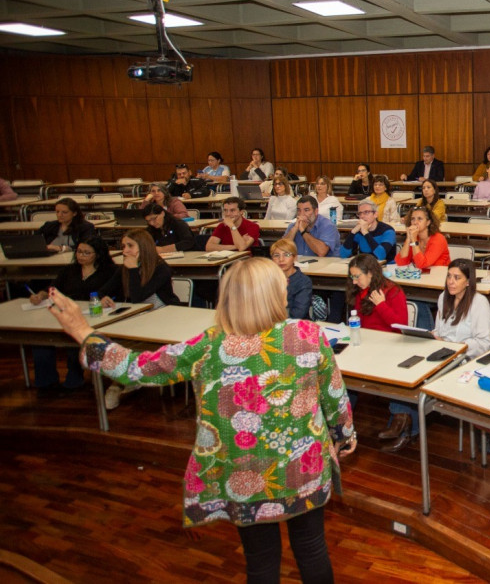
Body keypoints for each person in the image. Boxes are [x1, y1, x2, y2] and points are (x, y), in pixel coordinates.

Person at [47, 258, 355, 582]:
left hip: (243, 477)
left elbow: (137, 369)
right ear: (276, 295)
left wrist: (83, 332)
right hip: (303, 470)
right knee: (311, 548)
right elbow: (334, 396)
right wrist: (345, 435)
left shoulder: (208, 346)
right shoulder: (308, 335)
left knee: (261, 561)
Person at [383, 259, 490, 453]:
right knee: (405, 368)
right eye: (449, 276)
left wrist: (455, 346)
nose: (451, 281)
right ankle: (402, 421)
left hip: (464, 358)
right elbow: (439, 329)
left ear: (468, 281)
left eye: (457, 277)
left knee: (419, 378)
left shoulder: (479, 303)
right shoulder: (444, 297)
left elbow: (483, 344)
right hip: (442, 350)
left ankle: (406, 428)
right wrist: (434, 335)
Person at [98, 229, 179, 410]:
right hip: (139, 315)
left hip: (164, 315)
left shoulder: (161, 268)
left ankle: (129, 378)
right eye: (123, 246)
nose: (125, 250)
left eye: (130, 246)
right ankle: (120, 381)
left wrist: (133, 269)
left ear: (143, 247)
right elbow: (103, 290)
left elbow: (138, 297)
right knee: (112, 340)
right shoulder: (125, 268)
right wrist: (103, 297)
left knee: (131, 341)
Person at [28, 237, 117, 395]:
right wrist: (41, 295)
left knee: (75, 341)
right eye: (79, 252)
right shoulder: (69, 271)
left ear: (98, 254)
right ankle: (46, 382)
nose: (81, 255)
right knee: (39, 341)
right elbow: (52, 289)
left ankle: (74, 380)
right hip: (66, 312)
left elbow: (113, 293)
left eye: (86, 253)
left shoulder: (110, 271)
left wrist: (104, 300)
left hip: (94, 316)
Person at [345, 254, 407, 330]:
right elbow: (359, 324)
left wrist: (381, 305)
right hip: (368, 337)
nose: (354, 282)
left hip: (387, 338)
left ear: (370, 273)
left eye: (357, 276)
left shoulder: (393, 291)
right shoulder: (361, 289)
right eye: (352, 277)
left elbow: (402, 326)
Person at [396, 206, 450, 270]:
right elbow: (401, 262)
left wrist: (413, 240)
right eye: (413, 219)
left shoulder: (438, 239)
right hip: (421, 276)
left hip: (439, 276)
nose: (415, 222)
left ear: (428, 222)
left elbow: (422, 264)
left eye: (419, 219)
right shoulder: (415, 237)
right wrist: (408, 238)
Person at [270, 238, 312, 320]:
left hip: (294, 324)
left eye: (287, 255)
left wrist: (270, 313)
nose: (281, 260)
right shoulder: (268, 279)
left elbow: (298, 314)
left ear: (295, 257)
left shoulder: (303, 281)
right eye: (276, 255)